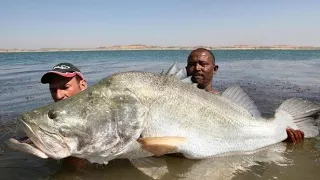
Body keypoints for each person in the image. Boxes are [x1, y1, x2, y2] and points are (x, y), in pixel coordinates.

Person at [185, 48, 304, 143]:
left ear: (214, 69)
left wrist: (282, 135)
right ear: (186, 69)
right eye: (192, 64)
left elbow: (254, 130)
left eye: (203, 64)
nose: (197, 68)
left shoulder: (228, 100)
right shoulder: (175, 97)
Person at [41, 62, 89, 169]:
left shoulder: (103, 110)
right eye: (53, 90)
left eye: (65, 87)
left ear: (83, 86)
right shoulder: (52, 116)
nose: (58, 95)